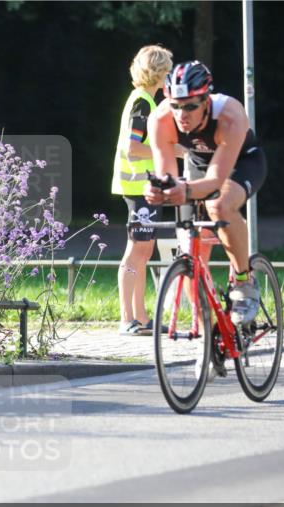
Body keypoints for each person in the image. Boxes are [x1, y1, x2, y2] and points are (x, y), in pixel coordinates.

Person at [144, 61, 267, 324]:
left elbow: (215, 180)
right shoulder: (160, 119)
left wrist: (184, 189)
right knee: (191, 251)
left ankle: (244, 281)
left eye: (190, 106)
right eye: (175, 105)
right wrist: (159, 190)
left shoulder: (230, 115)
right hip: (198, 166)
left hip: (241, 163)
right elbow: (169, 177)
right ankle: (207, 333)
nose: (181, 114)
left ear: (206, 100)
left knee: (219, 206)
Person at [110, 45, 175, 336]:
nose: (170, 76)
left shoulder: (143, 100)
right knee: (137, 250)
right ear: (159, 72)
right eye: (168, 70)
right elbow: (133, 148)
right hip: (138, 187)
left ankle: (141, 318)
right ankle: (128, 319)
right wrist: (165, 149)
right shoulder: (143, 103)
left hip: (142, 187)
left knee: (143, 250)